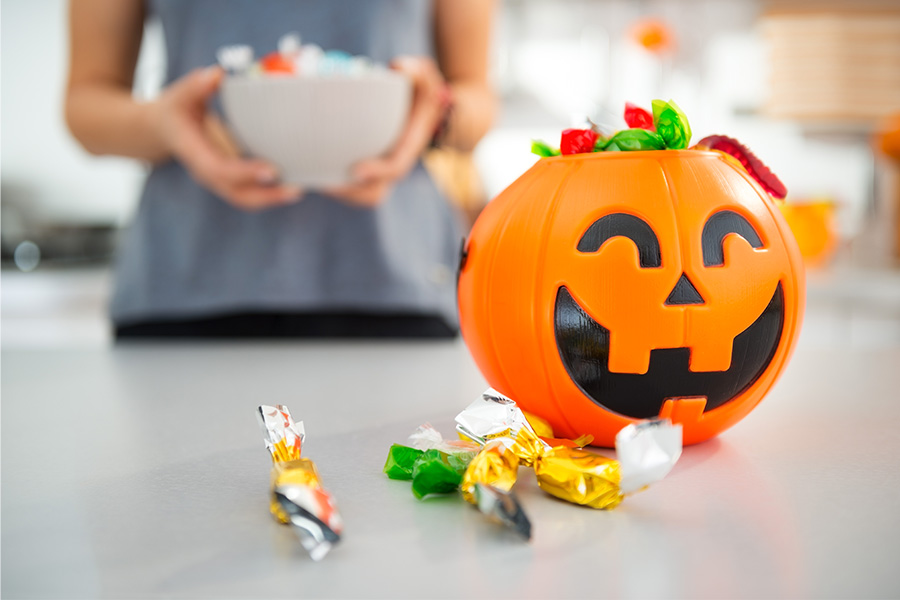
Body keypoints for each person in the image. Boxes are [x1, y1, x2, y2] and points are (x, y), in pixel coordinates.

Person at [65, 0, 496, 338]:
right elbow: (85, 102)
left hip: (396, 287)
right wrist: (163, 123)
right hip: (183, 286)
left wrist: (437, 113)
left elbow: (477, 93)